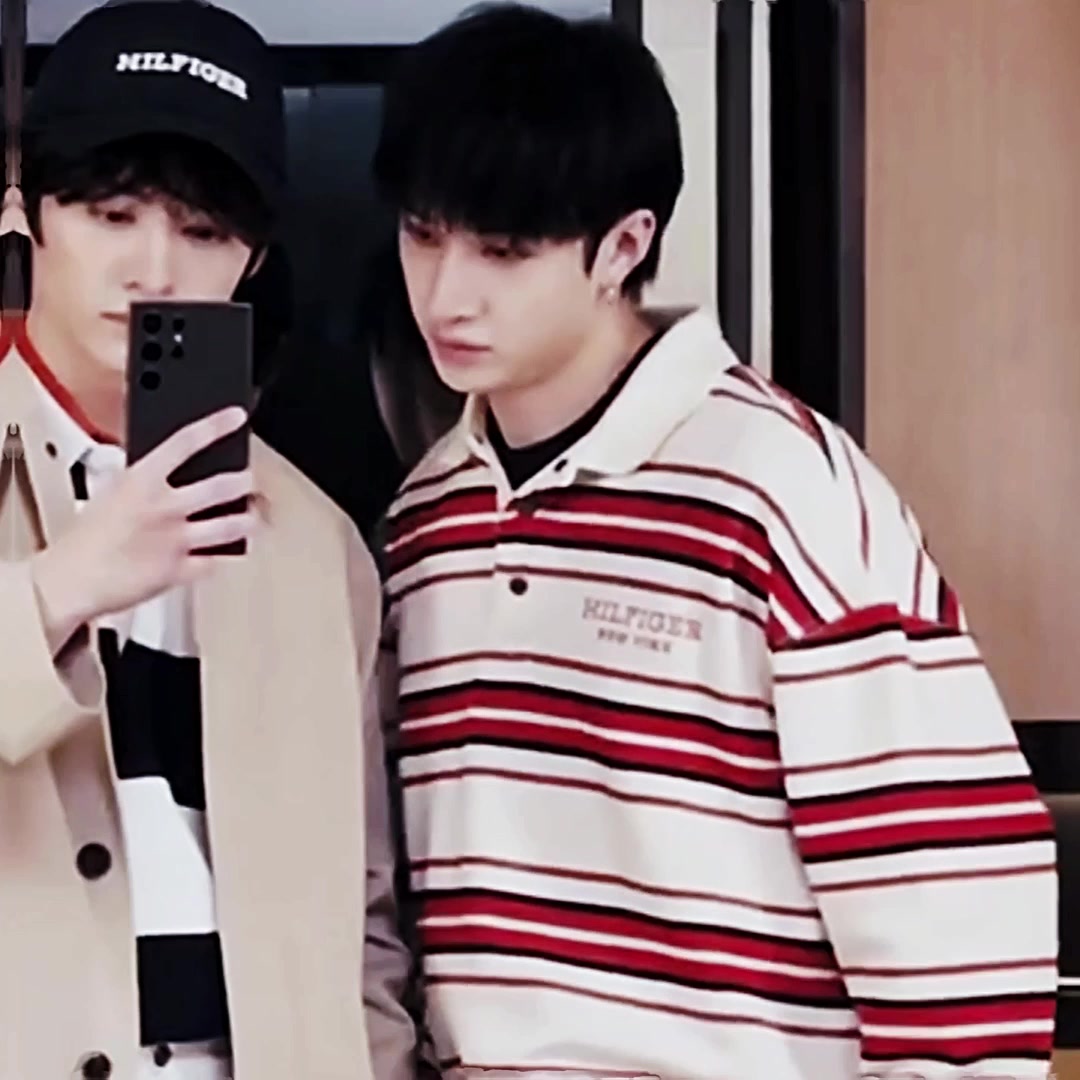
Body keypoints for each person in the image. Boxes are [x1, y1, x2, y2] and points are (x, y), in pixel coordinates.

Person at [372, 6, 1059, 1080]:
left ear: (623, 246)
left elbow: (953, 908)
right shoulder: (425, 523)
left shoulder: (779, 493)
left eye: (503, 250)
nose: (447, 293)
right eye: (423, 234)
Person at [0, 3, 415, 1078]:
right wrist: (60, 587)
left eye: (202, 232)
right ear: (24, 207)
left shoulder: (312, 544)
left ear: (254, 256)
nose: (154, 268)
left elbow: (361, 920)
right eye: (111, 213)